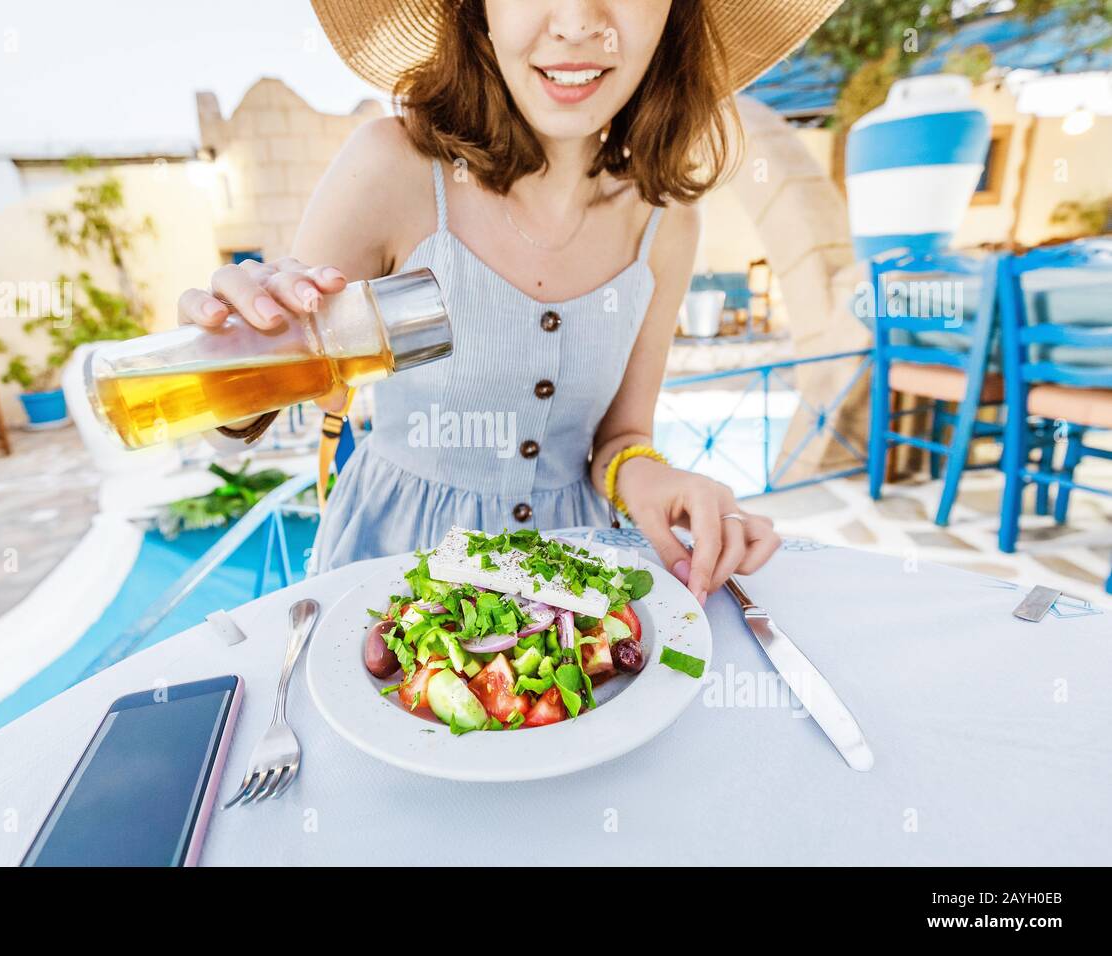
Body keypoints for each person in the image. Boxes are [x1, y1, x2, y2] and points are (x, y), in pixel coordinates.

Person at [178, 0, 841, 604]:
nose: (580, 21)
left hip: (571, 584)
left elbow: (621, 439)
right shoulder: (390, 169)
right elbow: (241, 413)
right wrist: (222, 348)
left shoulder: (666, 225)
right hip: (388, 575)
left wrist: (651, 479)